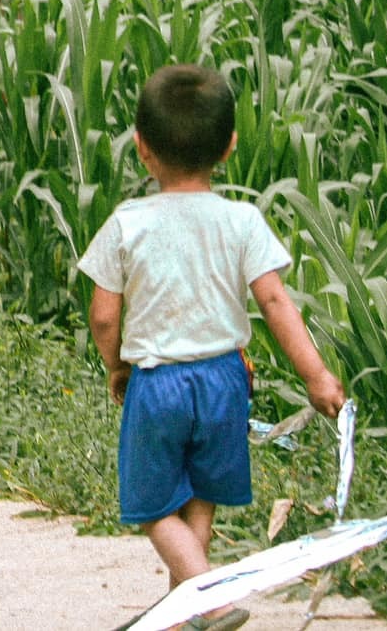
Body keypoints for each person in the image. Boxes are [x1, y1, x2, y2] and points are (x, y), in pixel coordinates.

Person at [80, 64, 346, 631]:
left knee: (152, 507)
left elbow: (104, 314)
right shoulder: (241, 221)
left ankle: (212, 600)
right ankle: (181, 615)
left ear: (141, 147)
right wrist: (317, 376)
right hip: (226, 380)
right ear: (228, 146)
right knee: (199, 494)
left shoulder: (128, 223)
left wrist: (116, 367)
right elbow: (276, 303)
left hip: (160, 384)